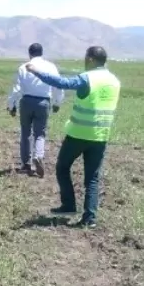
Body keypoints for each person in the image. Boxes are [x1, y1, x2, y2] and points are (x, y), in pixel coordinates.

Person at [24, 45, 121, 228]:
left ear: (91, 59)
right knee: (92, 178)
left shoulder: (88, 78)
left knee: (62, 167)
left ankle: (68, 205)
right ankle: (90, 218)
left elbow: (62, 83)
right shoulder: (114, 80)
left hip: (78, 134)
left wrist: (36, 71)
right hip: (100, 135)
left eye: (86, 57)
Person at [7, 43, 64, 177]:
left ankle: (26, 164)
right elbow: (57, 85)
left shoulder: (23, 67)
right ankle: (38, 156)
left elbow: (16, 89)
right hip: (43, 102)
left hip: (26, 101)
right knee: (40, 133)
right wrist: (57, 102)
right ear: (42, 53)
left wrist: (11, 105)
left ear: (29, 54)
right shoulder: (50, 67)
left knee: (25, 133)